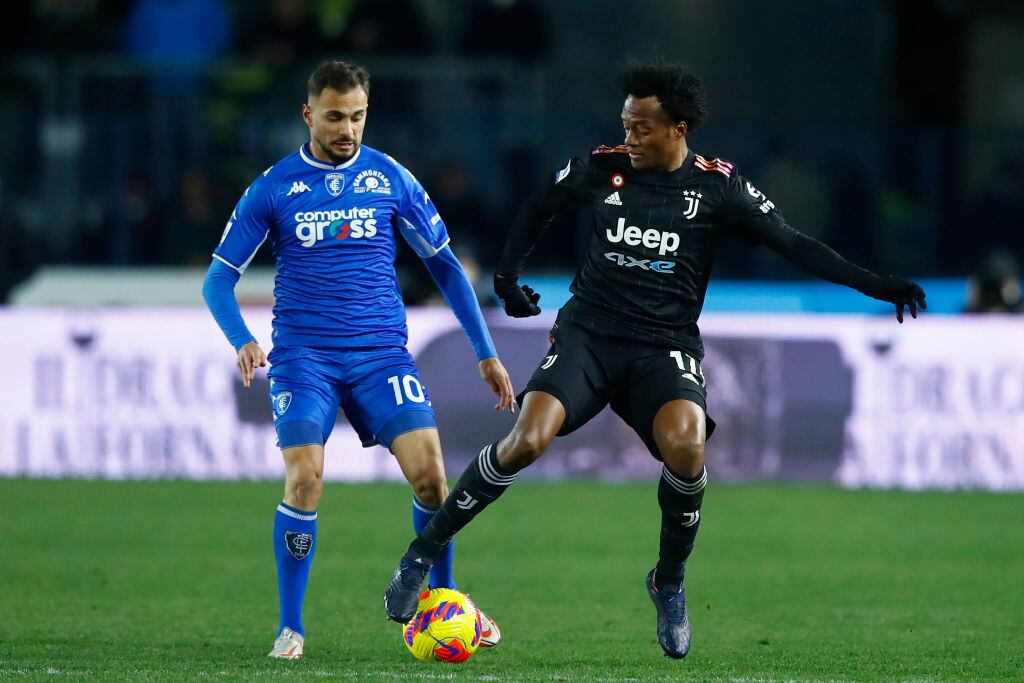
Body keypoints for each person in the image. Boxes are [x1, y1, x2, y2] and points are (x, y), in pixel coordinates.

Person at [382, 59, 927, 660]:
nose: (629, 138)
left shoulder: (719, 187)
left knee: (688, 448)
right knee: (526, 440)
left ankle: (668, 581)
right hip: (589, 333)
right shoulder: (603, 168)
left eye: (642, 128)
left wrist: (878, 284)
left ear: (680, 128)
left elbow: (795, 243)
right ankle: (421, 553)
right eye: (625, 124)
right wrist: (508, 278)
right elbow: (540, 204)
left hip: (663, 347)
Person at [202, 60, 515, 660]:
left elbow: (446, 266)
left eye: (358, 116)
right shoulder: (274, 187)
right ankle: (290, 628)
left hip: (380, 357)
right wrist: (242, 337)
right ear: (309, 114)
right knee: (306, 479)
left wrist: (485, 352)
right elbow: (218, 279)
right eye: (336, 117)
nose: (348, 129)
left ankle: (446, 604)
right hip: (304, 360)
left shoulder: (390, 179)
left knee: (432, 476)